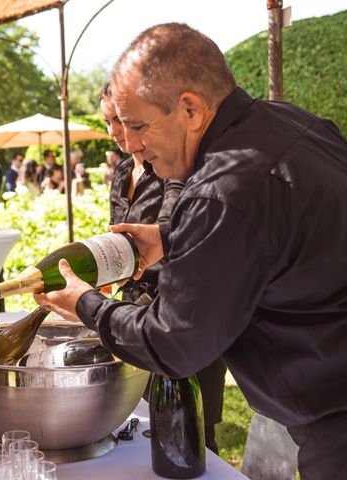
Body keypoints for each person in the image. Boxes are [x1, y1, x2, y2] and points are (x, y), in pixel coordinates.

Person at [36, 23, 347, 479]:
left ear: (191, 109)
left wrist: (86, 304)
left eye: (138, 125)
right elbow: (275, 238)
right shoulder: (299, 123)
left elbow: (173, 343)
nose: (133, 144)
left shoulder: (221, 191)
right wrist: (173, 238)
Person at [100, 80, 226, 454]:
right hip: (134, 312)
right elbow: (119, 238)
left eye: (123, 121)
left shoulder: (173, 166)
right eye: (108, 121)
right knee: (146, 427)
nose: (116, 132)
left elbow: (173, 231)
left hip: (181, 310)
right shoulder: (122, 173)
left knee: (194, 431)